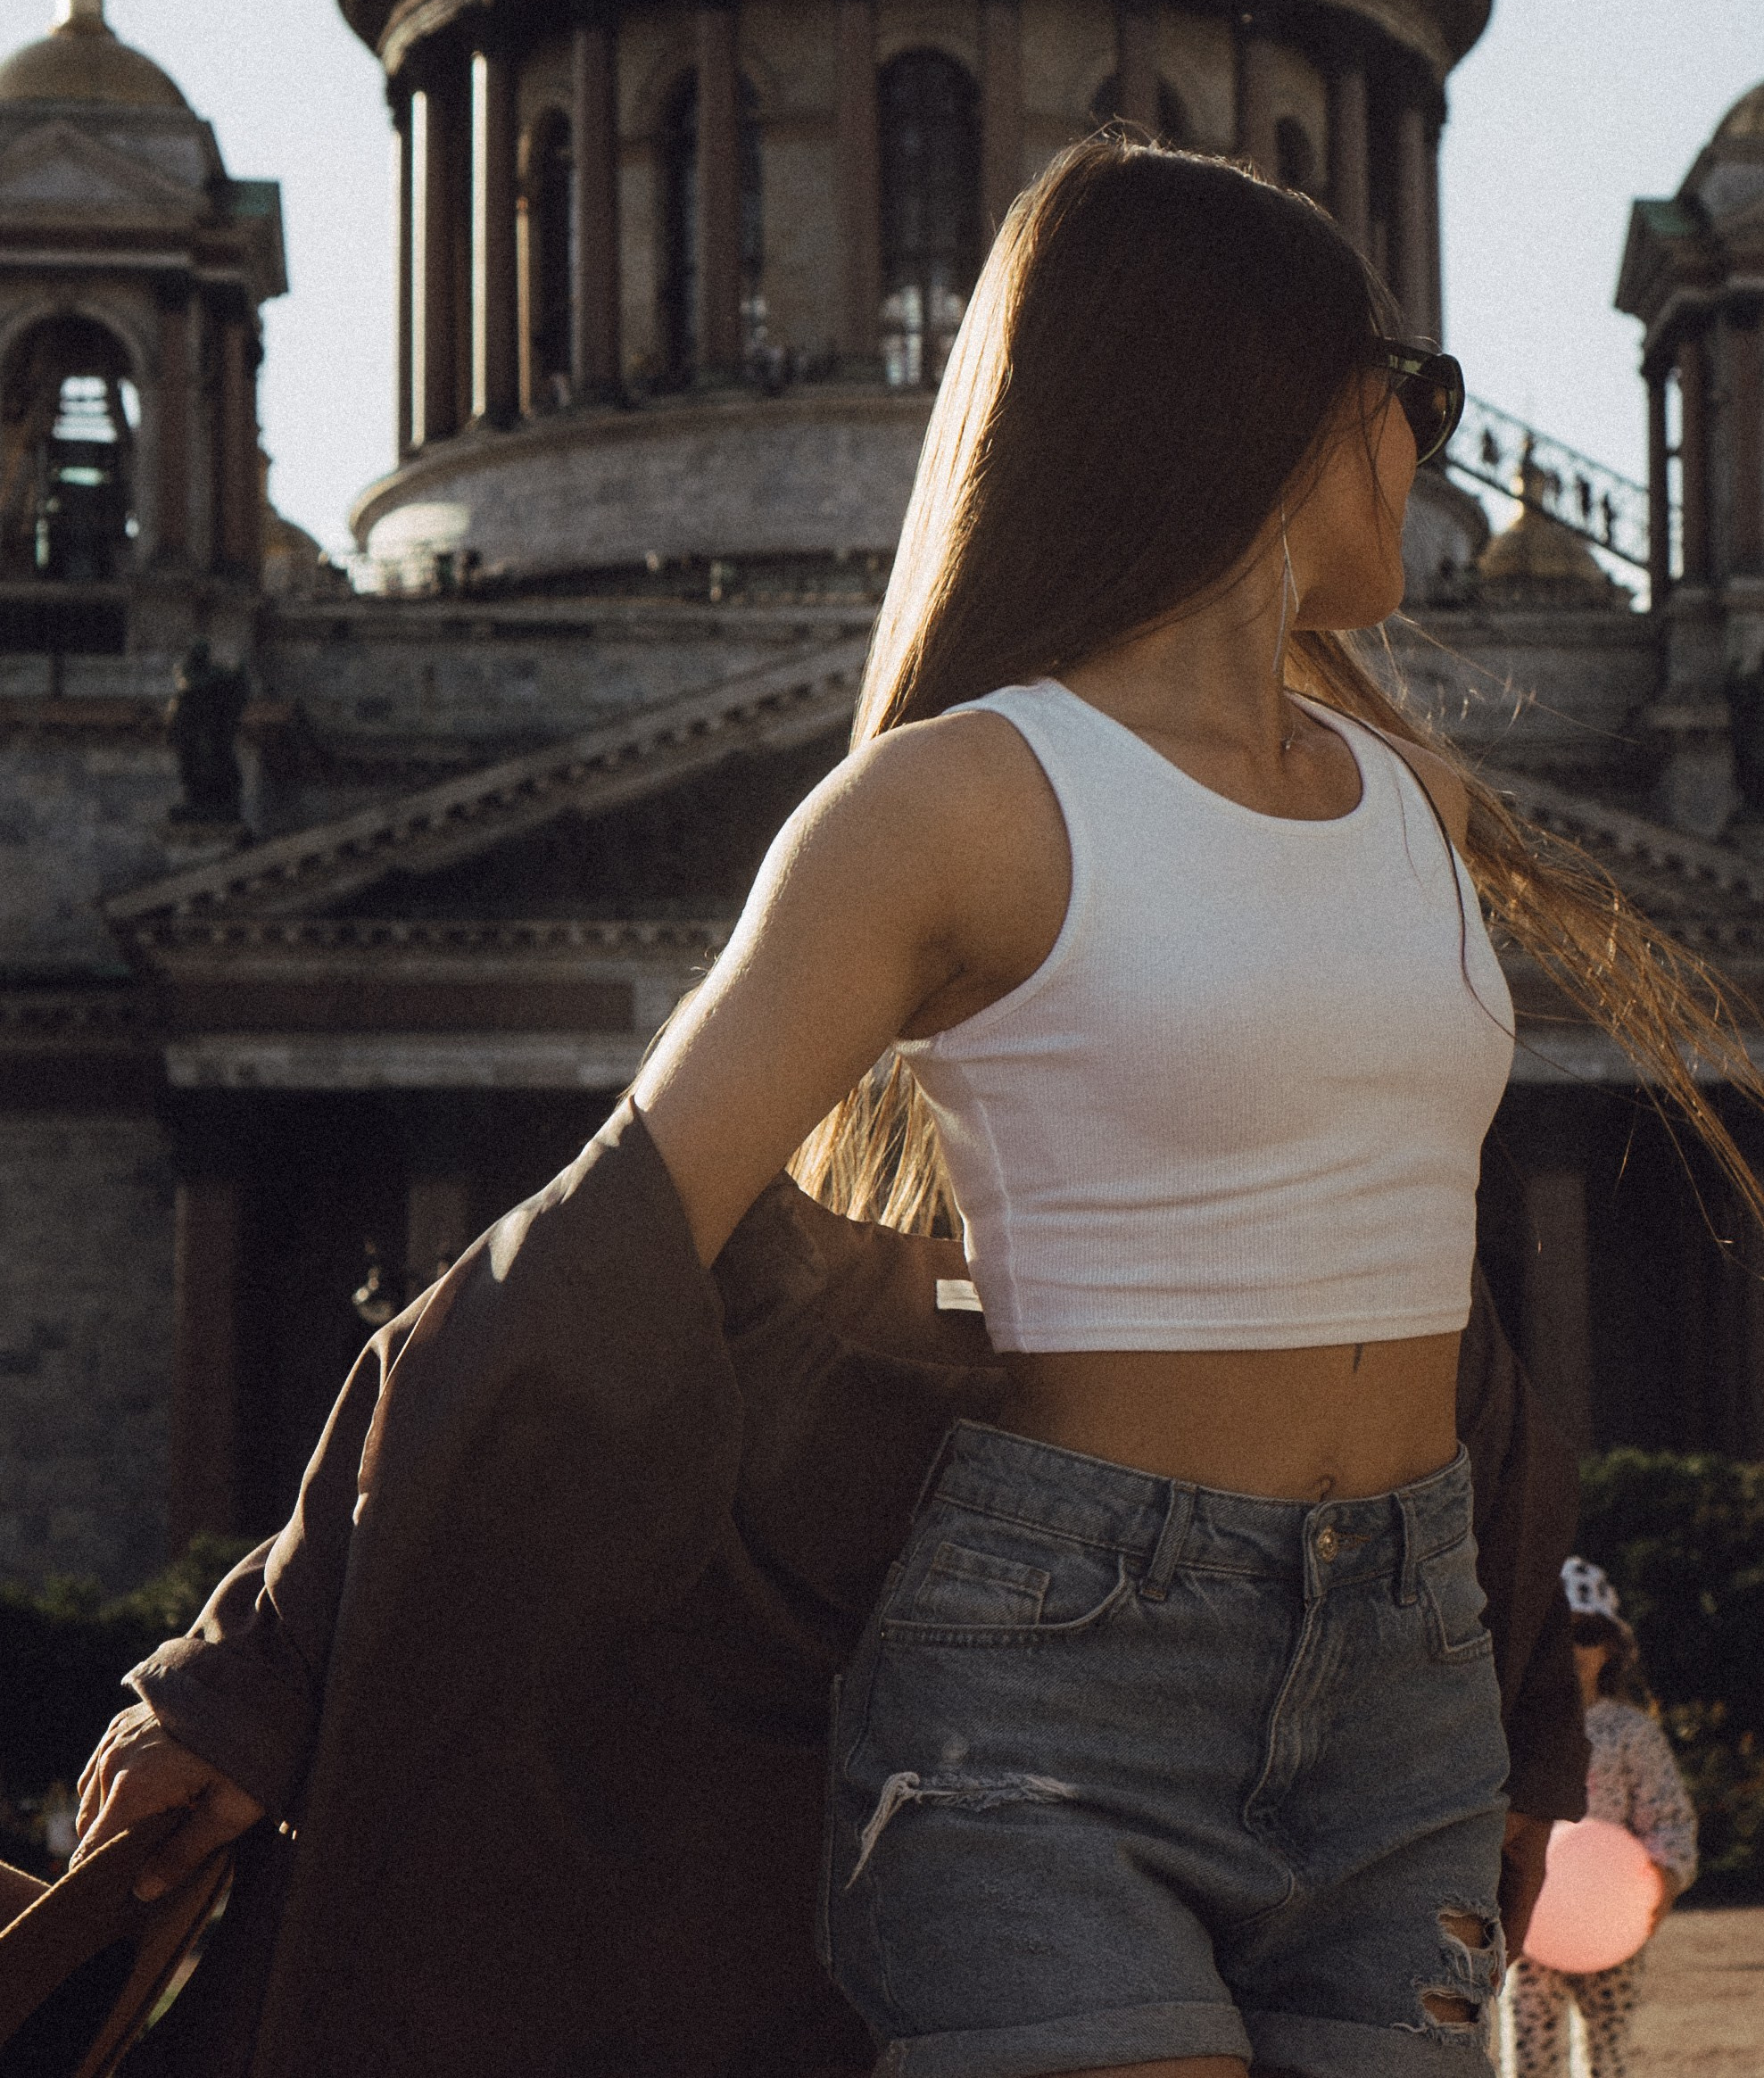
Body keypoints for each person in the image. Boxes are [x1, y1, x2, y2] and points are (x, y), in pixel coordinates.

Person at [71, 139, 1764, 2078]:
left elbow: (1427, 1289)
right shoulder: (945, 804)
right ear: (1267, 396)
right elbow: (600, 1246)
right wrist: (261, 1655)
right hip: (1055, 1686)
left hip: (1403, 1690)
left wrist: (1516, 1694)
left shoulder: (1418, 799)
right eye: (1416, 396)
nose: (1428, 452)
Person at [1509, 1560, 1699, 2078]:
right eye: (1559, 1634)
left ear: (1610, 1647)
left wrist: (1665, 1879)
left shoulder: (1632, 1733)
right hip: (1533, 1917)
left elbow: (1669, 1819)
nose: (1573, 1648)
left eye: (1588, 1634)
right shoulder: (1518, 1730)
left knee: (1607, 2059)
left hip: (1614, 1919)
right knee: (1530, 2057)